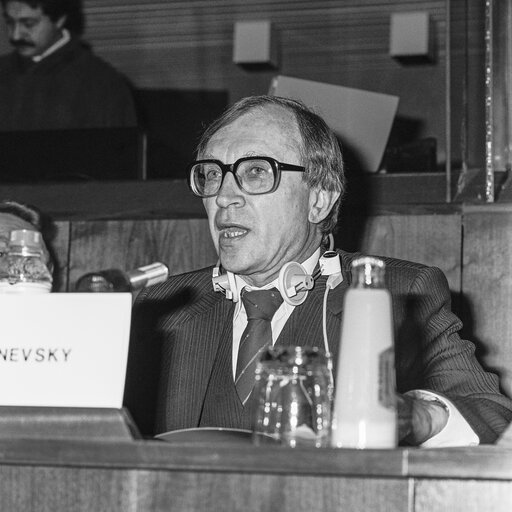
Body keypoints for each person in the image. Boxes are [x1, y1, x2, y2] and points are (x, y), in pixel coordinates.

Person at [125, 95, 512, 445]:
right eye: (211, 174)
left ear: (319, 200)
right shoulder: (160, 307)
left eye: (256, 172)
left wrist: (416, 416)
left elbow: (491, 415)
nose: (224, 197)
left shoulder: (398, 294)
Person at [0, 0, 137, 131]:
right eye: (9, 22)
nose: (15, 36)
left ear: (59, 20)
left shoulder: (103, 84)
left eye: (29, 24)